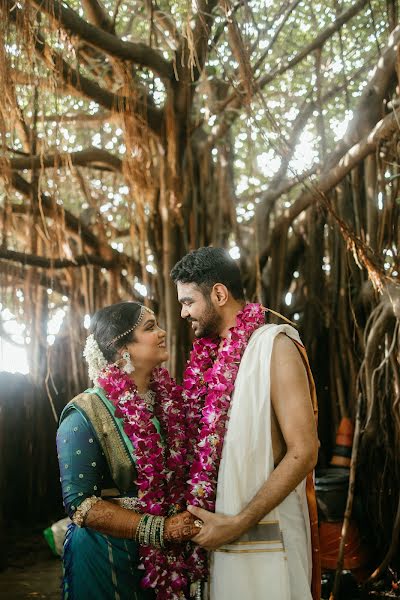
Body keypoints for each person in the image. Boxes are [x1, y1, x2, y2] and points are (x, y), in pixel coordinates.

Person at [171, 247, 321, 600]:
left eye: (189, 301)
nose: (182, 312)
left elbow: (304, 450)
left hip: (270, 538)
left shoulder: (275, 346)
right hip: (219, 545)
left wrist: (238, 523)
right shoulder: (210, 361)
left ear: (219, 294)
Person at [56, 301, 201, 600]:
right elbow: (80, 504)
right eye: (150, 328)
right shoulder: (86, 412)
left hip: (170, 558)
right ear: (122, 349)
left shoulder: (170, 403)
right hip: (108, 557)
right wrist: (160, 530)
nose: (162, 333)